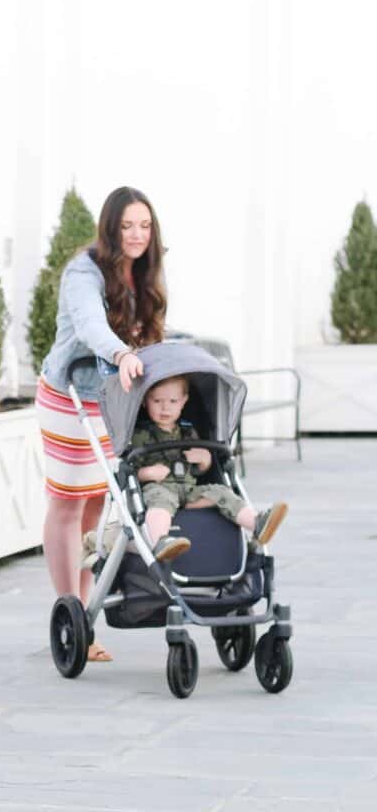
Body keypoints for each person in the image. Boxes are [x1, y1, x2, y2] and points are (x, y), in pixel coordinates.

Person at [36, 186, 166, 662]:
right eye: (128, 225)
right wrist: (121, 353)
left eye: (145, 225)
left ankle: (84, 612)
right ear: (110, 228)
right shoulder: (83, 272)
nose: (137, 234)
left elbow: (151, 329)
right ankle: (67, 608)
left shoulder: (145, 271)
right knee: (68, 503)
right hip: (69, 395)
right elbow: (91, 326)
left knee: (95, 503)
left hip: (111, 398)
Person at [132, 374, 288, 561]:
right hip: (160, 489)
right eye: (157, 401)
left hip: (189, 491)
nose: (165, 407)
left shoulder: (189, 431)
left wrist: (204, 460)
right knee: (160, 502)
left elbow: (200, 471)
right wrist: (146, 473)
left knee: (221, 492)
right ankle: (161, 541)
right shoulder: (140, 435)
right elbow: (130, 470)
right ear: (144, 401)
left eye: (173, 401)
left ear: (184, 402)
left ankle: (256, 523)